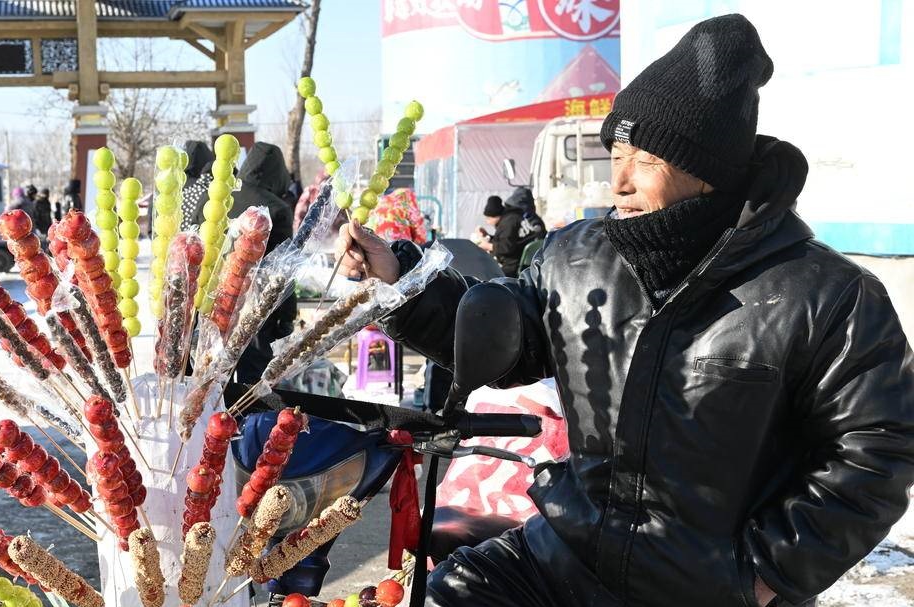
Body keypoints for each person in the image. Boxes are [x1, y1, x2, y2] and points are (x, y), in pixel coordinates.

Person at [336, 14, 914, 607]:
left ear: (709, 172)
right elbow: (506, 336)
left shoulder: (825, 295)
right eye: (615, 153)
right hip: (569, 551)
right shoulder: (575, 258)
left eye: (647, 160)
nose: (619, 182)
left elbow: (878, 451)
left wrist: (765, 575)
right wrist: (400, 277)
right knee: (441, 596)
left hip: (709, 588)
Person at [198, 141, 296, 383]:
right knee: (251, 380)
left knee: (211, 379)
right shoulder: (277, 209)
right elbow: (283, 267)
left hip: (214, 301)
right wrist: (287, 316)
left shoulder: (217, 198)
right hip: (255, 309)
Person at [476, 188, 545, 277]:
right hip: (533, 263)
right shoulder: (529, 219)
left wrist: (488, 246)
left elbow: (507, 247)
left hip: (514, 267)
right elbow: (511, 240)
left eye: (488, 218)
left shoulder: (510, 220)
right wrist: (488, 236)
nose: (487, 222)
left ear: (495, 216)